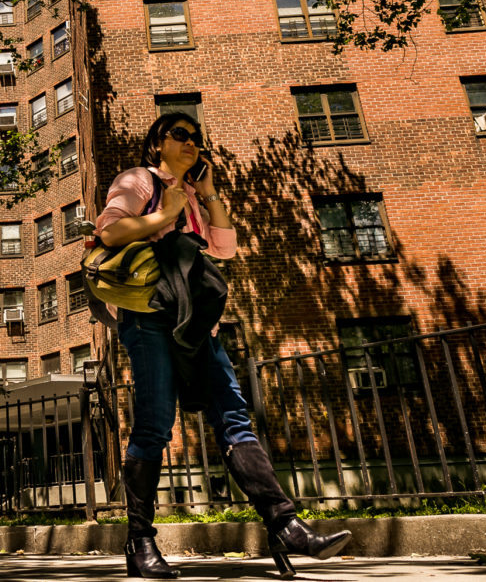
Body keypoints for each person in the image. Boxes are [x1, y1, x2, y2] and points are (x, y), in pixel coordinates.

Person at [95, 113, 352, 579]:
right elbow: (109, 233)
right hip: (149, 317)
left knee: (232, 413)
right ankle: (140, 541)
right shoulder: (138, 180)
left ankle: (285, 524)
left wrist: (206, 192)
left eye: (196, 138)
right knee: (155, 424)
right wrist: (165, 214)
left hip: (196, 324)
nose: (191, 142)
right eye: (180, 135)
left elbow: (225, 248)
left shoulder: (193, 194)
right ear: (157, 144)